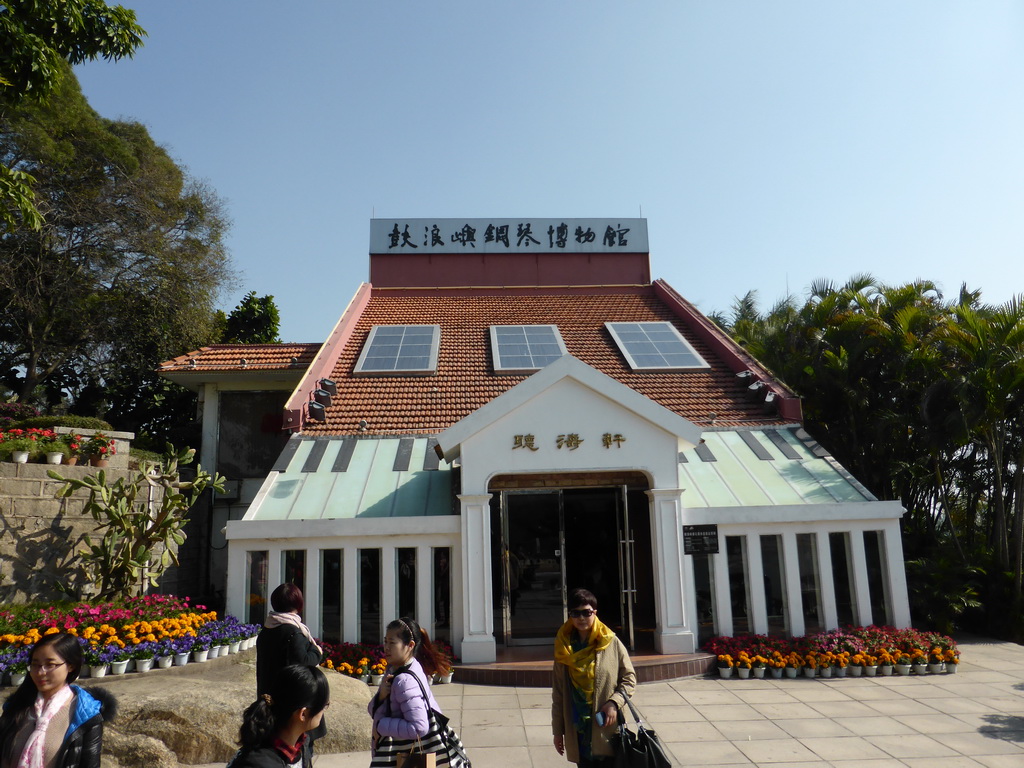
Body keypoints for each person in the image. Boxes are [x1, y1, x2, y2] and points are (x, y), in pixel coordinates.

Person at [0, 632, 116, 768]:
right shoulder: (17, 707)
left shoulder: (86, 715)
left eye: (50, 664)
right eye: (35, 664)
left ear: (71, 665)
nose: (41, 672)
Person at [552, 588, 636, 767]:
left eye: (586, 612)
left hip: (606, 727)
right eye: (576, 613)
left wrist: (614, 703)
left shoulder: (610, 642)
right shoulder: (564, 647)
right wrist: (557, 731)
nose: (581, 618)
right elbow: (558, 694)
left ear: (595, 613)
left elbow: (629, 679)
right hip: (578, 728)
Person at [369, 616, 450, 758]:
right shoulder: (404, 667)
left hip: (403, 757)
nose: (386, 647)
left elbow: (419, 727)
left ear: (410, 645)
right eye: (385, 641)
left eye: (392, 643)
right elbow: (375, 710)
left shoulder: (404, 681)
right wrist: (381, 696)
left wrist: (381, 726)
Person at [227, 665, 329, 768]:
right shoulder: (258, 763)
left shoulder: (299, 745)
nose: (323, 711)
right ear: (303, 714)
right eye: (324, 706)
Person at [256, 584, 324, 697]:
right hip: (287, 699)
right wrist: (316, 651)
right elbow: (304, 661)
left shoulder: (267, 629)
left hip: (267, 694)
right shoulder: (293, 632)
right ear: (298, 603)